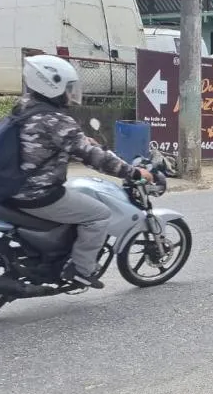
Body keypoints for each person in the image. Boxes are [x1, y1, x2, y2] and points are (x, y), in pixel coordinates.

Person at [8, 54, 154, 289]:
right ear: (51, 86)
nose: (70, 93)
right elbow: (95, 158)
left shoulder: (25, 107)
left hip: (14, 185)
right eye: (68, 88)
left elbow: (48, 143)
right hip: (37, 193)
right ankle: (81, 270)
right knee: (99, 214)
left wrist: (79, 142)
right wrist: (134, 173)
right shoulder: (56, 120)